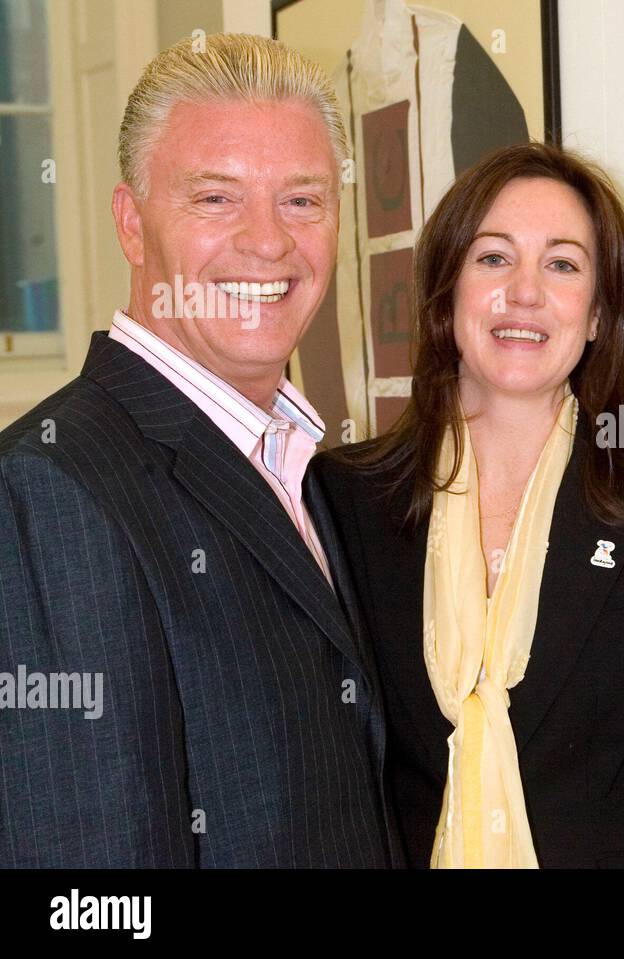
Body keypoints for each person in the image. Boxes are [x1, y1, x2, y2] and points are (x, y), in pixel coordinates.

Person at [0, 34, 397, 867]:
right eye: (216, 199)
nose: (268, 242)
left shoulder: (301, 465)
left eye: (303, 199)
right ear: (131, 225)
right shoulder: (49, 488)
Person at [307, 142, 624, 868]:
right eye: (492, 258)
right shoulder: (344, 499)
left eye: (562, 264)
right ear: (445, 294)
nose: (523, 292)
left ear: (600, 315)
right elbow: (327, 773)